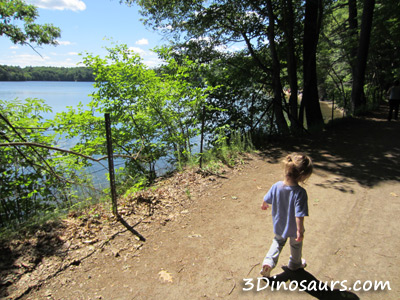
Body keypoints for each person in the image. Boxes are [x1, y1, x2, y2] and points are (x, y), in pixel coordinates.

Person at [260, 153, 313, 277]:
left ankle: (268, 262)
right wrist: (300, 230)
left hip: (279, 225)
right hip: (294, 228)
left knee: (278, 242)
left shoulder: (276, 186)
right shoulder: (300, 193)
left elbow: (266, 198)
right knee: (296, 246)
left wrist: (264, 204)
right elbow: (299, 214)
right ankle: (295, 264)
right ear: (303, 176)